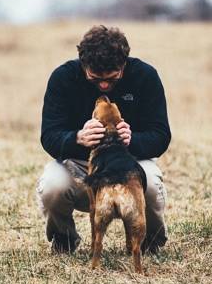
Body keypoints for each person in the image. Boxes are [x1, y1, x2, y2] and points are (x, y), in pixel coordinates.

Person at [36, 25, 171, 253]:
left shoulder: (145, 76)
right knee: (52, 185)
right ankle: (64, 239)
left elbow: (161, 134)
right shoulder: (62, 78)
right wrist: (77, 138)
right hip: (80, 165)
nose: (105, 85)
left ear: (124, 64)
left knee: (150, 184)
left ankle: (149, 244)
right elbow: (49, 135)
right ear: (83, 65)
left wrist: (133, 140)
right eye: (95, 78)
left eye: (112, 77)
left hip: (130, 163)